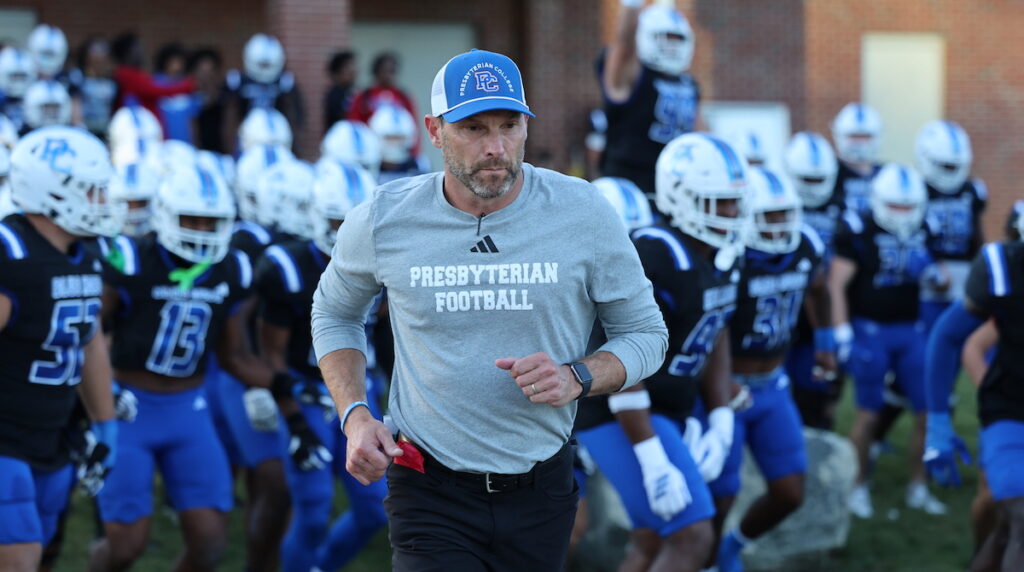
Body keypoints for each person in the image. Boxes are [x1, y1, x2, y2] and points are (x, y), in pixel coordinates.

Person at [311, 49, 668, 571]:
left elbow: (645, 334)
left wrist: (578, 376)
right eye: (474, 128)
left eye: (509, 125)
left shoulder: (583, 211)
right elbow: (334, 314)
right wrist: (355, 415)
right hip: (428, 484)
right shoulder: (385, 219)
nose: (496, 147)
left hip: (541, 483)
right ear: (434, 132)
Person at [87, 166, 328, 571]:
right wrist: (96, 396)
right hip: (129, 408)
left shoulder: (231, 268)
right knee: (125, 546)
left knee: (210, 544)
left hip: (188, 410)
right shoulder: (130, 259)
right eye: (191, 220)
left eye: (212, 222)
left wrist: (286, 384)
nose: (201, 230)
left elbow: (234, 355)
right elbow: (90, 333)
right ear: (164, 215)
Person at [577, 134, 750, 572]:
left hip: (664, 408)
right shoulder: (657, 253)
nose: (731, 214)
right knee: (692, 536)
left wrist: (722, 417)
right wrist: (653, 458)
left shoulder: (717, 252)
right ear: (683, 199)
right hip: (617, 410)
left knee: (653, 540)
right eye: (719, 203)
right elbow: (624, 347)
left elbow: (716, 330)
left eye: (734, 202)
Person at [0, 126, 120, 571]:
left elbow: (88, 342)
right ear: (53, 192)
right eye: (92, 191)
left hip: (51, 436)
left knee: (43, 550)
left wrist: (105, 421)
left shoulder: (83, 252)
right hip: (4, 438)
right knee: (20, 558)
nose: (101, 202)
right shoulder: (9, 254)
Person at [257, 160, 386, 572]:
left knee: (375, 509)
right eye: (336, 220)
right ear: (314, 216)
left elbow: (388, 334)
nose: (345, 232)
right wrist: (290, 410)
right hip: (307, 389)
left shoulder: (387, 262)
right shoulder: (288, 268)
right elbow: (271, 353)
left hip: (362, 392)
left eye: (355, 221)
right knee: (312, 508)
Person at [710, 167, 835, 572]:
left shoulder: (805, 246)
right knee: (721, 493)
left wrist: (826, 341)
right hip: (730, 385)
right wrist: (720, 381)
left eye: (786, 213)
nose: (781, 224)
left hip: (774, 384)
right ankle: (706, 560)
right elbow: (714, 324)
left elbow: (818, 289)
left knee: (790, 491)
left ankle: (732, 545)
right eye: (771, 215)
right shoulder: (730, 255)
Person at [829, 163, 946, 519]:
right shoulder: (858, 228)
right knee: (867, 414)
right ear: (878, 201)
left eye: (908, 207)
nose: (903, 214)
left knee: (928, 412)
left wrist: (932, 274)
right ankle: (857, 486)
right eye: (895, 206)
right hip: (870, 330)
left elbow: (941, 281)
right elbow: (836, 284)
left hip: (910, 329)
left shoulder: (927, 227)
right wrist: (842, 331)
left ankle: (918, 485)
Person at [924, 208, 1024, 571]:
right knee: (1016, 515)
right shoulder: (1006, 272)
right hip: (1012, 412)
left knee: (1007, 529)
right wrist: (938, 421)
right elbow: (954, 337)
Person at [598, 1, 699, 207]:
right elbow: (624, 45)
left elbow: (699, 132)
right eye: (665, 38)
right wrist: (631, 5)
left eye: (677, 39)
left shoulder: (689, 84)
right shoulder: (635, 75)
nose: (672, 46)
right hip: (629, 182)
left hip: (672, 181)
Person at [782, 131, 844, 430]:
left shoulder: (843, 207)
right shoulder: (776, 201)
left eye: (821, 179)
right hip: (784, 304)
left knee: (818, 393)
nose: (816, 187)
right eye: (808, 179)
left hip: (823, 304)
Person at [915, 120, 986, 331]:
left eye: (955, 166)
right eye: (945, 165)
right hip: (930, 267)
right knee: (932, 333)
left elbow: (977, 232)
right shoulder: (917, 190)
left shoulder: (973, 190)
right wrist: (931, 266)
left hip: (964, 268)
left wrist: (980, 266)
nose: (951, 171)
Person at [109, 33, 195, 128]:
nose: (142, 51)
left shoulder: (137, 73)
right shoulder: (125, 74)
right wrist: (189, 85)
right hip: (140, 130)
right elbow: (158, 90)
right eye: (137, 47)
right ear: (128, 52)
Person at [831, 102, 882, 216]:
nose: (860, 143)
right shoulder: (829, 174)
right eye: (854, 136)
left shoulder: (886, 174)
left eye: (865, 136)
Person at [71, 37, 118, 140]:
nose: (99, 56)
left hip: (106, 131)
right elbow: (75, 103)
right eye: (95, 51)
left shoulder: (112, 80)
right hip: (85, 131)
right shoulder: (78, 77)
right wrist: (79, 128)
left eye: (103, 51)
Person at [323, 50, 357, 133]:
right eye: (348, 68)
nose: (353, 71)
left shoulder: (354, 92)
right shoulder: (334, 95)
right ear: (337, 73)